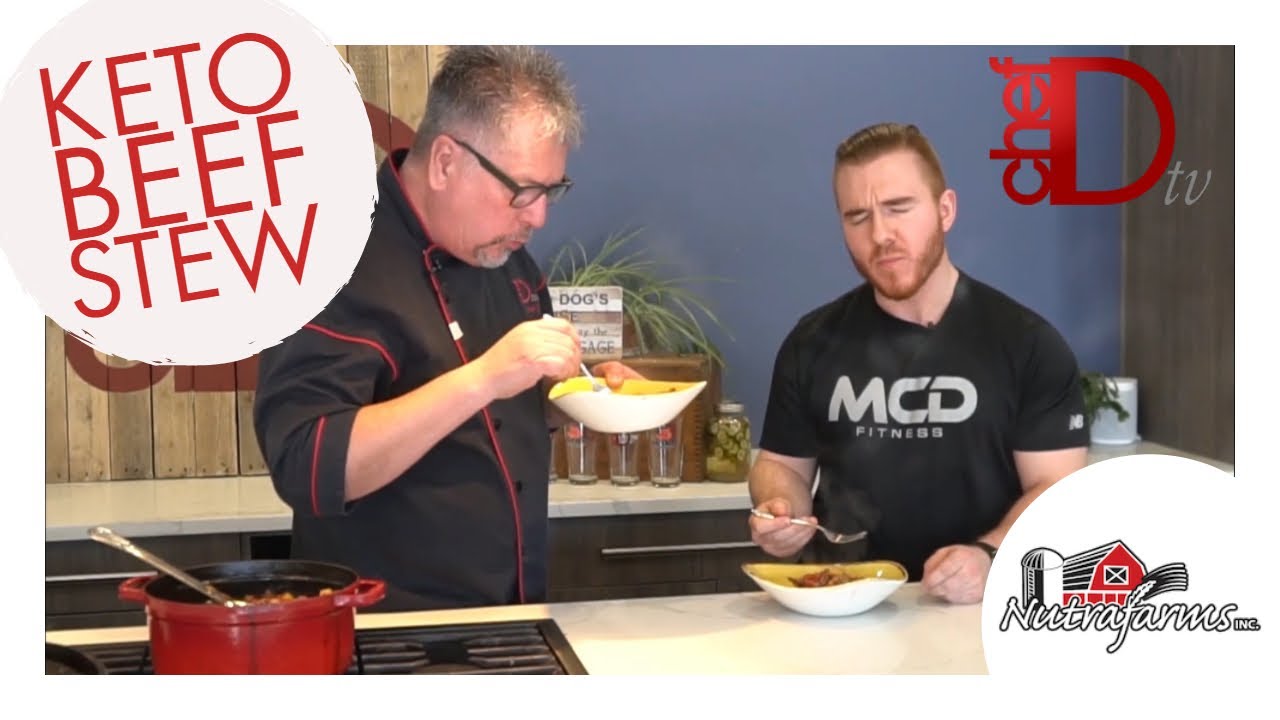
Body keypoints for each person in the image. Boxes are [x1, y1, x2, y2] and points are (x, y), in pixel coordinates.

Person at [252, 45, 642, 612]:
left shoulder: (508, 260)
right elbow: (306, 467)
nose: (538, 217)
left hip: (510, 612)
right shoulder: (330, 261)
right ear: (444, 163)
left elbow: (502, 417)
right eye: (522, 190)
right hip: (384, 630)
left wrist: (574, 398)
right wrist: (482, 378)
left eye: (551, 191)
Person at [747, 122, 1089, 605]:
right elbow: (781, 465)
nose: (880, 235)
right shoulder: (812, 341)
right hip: (840, 602)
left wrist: (989, 554)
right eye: (858, 216)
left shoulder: (1027, 343)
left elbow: (1057, 488)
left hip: (979, 607)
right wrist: (781, 508)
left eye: (898, 208)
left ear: (945, 210)